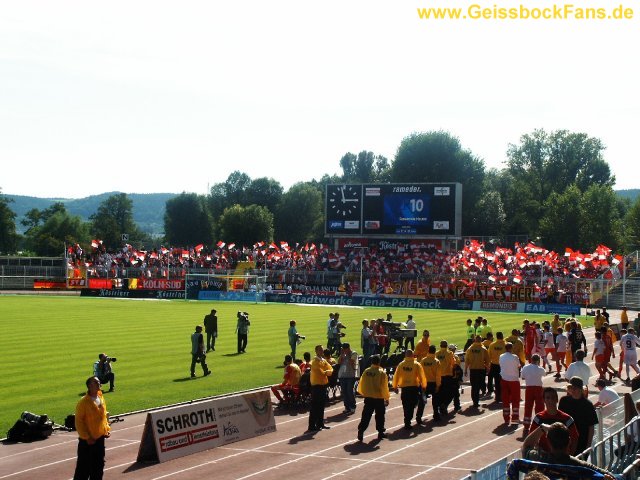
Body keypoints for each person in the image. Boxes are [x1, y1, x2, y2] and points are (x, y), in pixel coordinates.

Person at [522, 422, 617, 478]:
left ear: (549, 442)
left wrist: (541, 428)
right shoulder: (582, 466)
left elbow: (526, 446)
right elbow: (610, 476)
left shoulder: (538, 461)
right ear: (569, 442)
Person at [73, 376, 111, 480]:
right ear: (90, 386)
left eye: (98, 381)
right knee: (83, 468)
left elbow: (103, 417)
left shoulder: (100, 397)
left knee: (98, 466)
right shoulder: (83, 402)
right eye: (96, 382)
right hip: (87, 442)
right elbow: (78, 422)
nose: (99, 383)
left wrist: (106, 429)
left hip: (99, 439)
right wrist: (87, 437)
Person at [530, 387, 579, 455]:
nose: (550, 400)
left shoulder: (567, 419)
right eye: (547, 398)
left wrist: (570, 456)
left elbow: (575, 439)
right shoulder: (538, 418)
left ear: (557, 399)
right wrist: (538, 449)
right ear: (544, 400)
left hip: (561, 458)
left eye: (553, 397)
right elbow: (531, 437)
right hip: (545, 458)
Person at [559, 376, 599, 456]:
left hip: (582, 441)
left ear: (581, 389)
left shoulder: (588, 405)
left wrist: (588, 445)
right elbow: (559, 419)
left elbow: (591, 427)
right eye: (571, 388)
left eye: (575, 388)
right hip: (566, 440)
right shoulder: (564, 401)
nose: (573, 390)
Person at [357, 354, 390, 442]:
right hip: (378, 398)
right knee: (380, 416)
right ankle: (380, 432)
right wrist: (386, 398)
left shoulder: (366, 371)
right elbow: (384, 387)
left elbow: (361, 383)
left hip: (368, 398)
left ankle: (361, 430)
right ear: (379, 362)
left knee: (366, 415)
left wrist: (363, 393)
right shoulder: (381, 373)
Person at [392, 349, 426, 429]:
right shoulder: (416, 364)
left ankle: (407, 420)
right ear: (413, 355)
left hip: (405, 388)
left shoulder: (401, 365)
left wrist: (395, 386)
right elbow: (422, 376)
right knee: (412, 404)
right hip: (414, 387)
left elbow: (396, 376)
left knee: (406, 405)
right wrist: (424, 386)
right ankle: (408, 420)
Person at [306, 344, 333, 433]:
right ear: (316, 351)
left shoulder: (323, 360)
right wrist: (327, 372)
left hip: (322, 386)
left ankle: (320, 423)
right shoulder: (315, 361)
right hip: (316, 386)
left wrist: (327, 372)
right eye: (320, 350)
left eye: (322, 350)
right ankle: (312, 425)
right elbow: (321, 372)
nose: (322, 351)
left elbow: (331, 369)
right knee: (315, 407)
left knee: (321, 406)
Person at [521, 354, 545, 436]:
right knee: (539, 407)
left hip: (529, 388)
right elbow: (544, 374)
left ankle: (526, 426)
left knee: (528, 407)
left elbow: (523, 377)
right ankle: (539, 423)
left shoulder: (525, 367)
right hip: (538, 388)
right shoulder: (540, 369)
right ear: (538, 361)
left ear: (531, 359)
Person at [417, 345, 442, 422]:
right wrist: (438, 385)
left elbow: (419, 373)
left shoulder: (423, 360)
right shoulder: (436, 361)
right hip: (433, 383)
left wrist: (419, 383)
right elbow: (438, 375)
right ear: (434, 351)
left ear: (428, 351)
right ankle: (436, 415)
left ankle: (418, 417)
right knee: (435, 400)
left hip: (424, 383)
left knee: (422, 401)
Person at [499, 342, 521, 426]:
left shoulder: (501, 356)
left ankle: (506, 418)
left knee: (505, 399)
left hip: (504, 379)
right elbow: (518, 366)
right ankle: (515, 417)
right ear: (511, 348)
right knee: (515, 400)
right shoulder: (515, 357)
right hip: (514, 380)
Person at [464, 334, 490, 408]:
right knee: (478, 385)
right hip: (481, 370)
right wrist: (488, 368)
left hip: (473, 370)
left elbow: (467, 360)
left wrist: (465, 369)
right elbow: (487, 360)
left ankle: (475, 401)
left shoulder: (470, 348)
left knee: (474, 386)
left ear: (475, 340)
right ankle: (476, 400)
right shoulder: (483, 349)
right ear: (481, 340)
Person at [337, 343, 359, 414]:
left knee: (349, 391)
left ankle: (352, 407)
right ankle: (347, 407)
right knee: (344, 392)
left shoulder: (354, 353)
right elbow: (339, 362)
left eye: (345, 349)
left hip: (350, 375)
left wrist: (348, 354)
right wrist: (341, 355)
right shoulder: (343, 354)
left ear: (348, 348)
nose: (344, 350)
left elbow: (351, 362)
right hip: (342, 376)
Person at [488, 331, 506, 401]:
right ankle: (501, 396)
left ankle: (497, 396)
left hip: (494, 365)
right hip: (502, 365)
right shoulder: (505, 344)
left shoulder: (492, 345)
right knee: (503, 381)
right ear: (502, 336)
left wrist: (489, 365)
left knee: (496, 381)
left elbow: (489, 356)